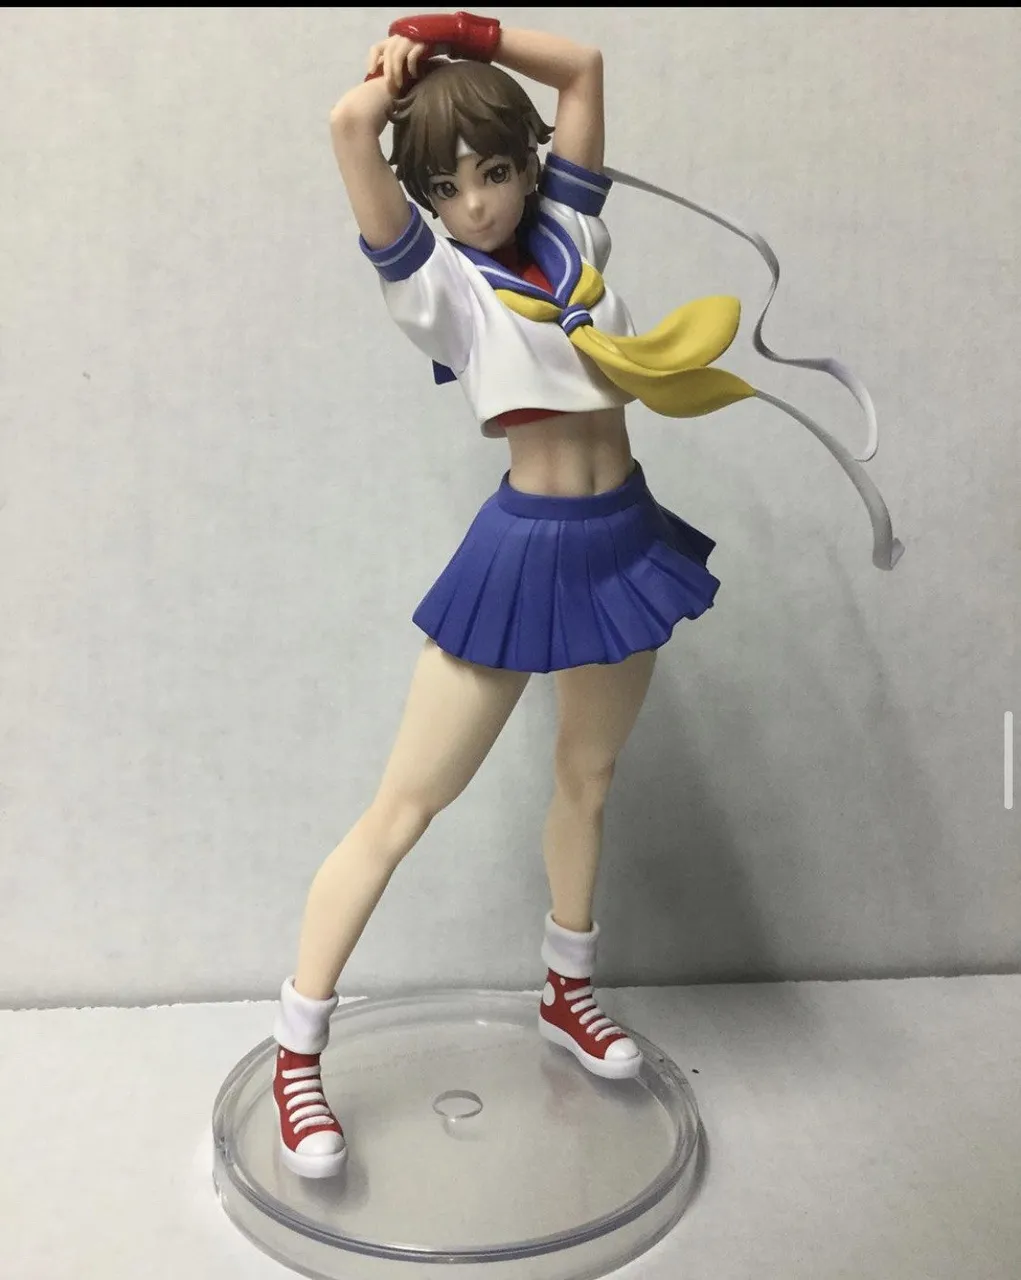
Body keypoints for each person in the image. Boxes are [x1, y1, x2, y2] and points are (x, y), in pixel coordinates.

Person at [268, 12, 838, 1179]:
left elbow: (580, 68)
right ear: (424, 199)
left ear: (524, 163)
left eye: (492, 170)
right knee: (402, 809)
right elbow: (347, 126)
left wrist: (462, 28)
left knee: (589, 776)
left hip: (621, 534)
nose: (477, 201)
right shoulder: (439, 283)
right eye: (447, 186)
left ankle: (566, 990)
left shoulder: (572, 228)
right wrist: (398, 64)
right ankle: (295, 1050)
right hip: (522, 552)